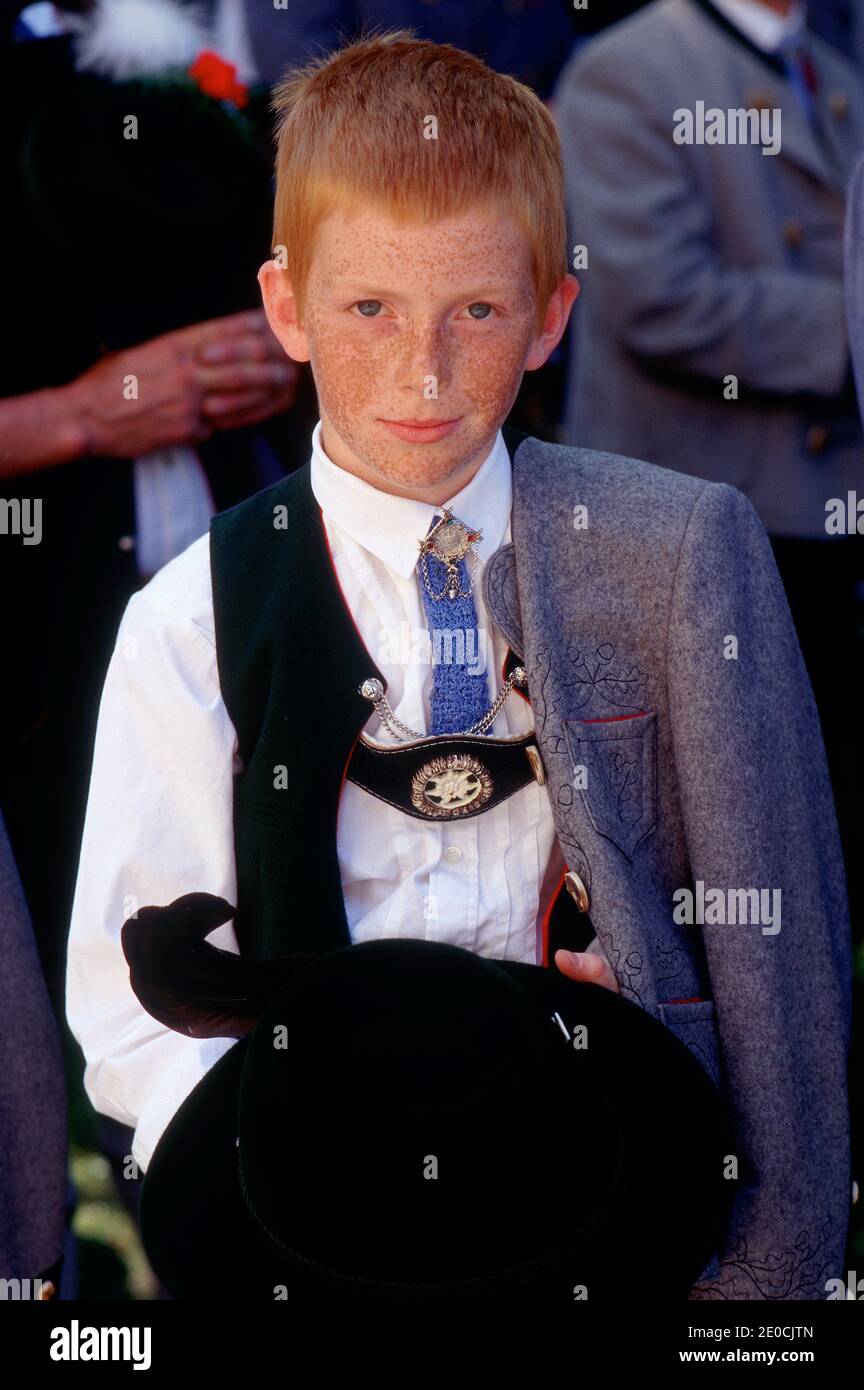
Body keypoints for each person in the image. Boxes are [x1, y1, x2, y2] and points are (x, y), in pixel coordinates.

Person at [66, 28, 852, 1300]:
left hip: (622, 1215)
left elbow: (786, 964)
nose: (422, 371)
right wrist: (273, 1196)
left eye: (477, 310)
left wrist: (764, 1286)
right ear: (286, 309)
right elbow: (133, 1000)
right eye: (368, 308)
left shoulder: (680, 549)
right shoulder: (190, 614)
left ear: (551, 316)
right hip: (321, 1246)